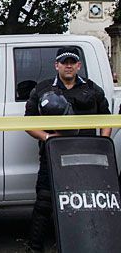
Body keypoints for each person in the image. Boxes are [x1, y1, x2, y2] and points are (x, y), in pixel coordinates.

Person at [24, 46, 111, 252]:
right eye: (64, 62)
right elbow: (27, 123)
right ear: (57, 65)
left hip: (86, 156)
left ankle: (86, 243)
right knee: (45, 201)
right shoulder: (43, 89)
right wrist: (46, 137)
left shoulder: (92, 89)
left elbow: (106, 118)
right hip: (53, 155)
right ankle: (35, 247)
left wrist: (102, 144)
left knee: (86, 200)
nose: (68, 66)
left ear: (79, 65)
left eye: (72, 62)